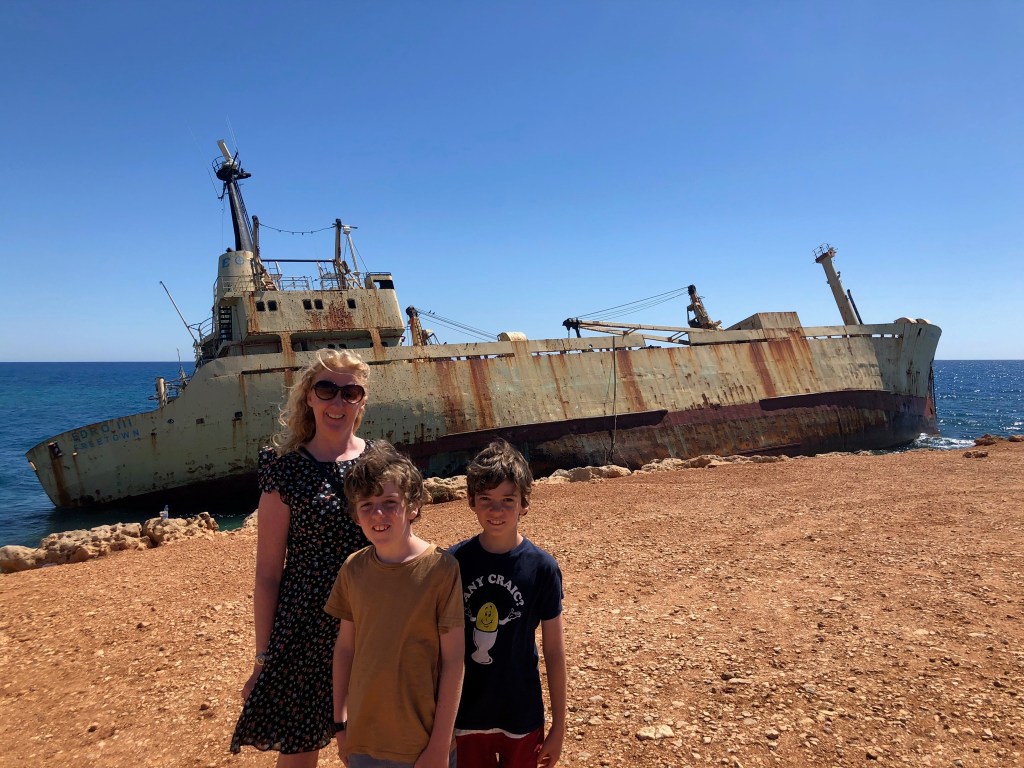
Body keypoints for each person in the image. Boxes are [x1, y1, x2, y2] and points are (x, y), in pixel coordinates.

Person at [230, 349, 373, 767]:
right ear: (309, 396)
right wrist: (263, 658)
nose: (337, 401)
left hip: (370, 619)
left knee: (374, 745)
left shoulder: (379, 463)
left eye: (350, 392)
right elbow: (268, 574)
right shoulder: (285, 469)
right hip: (306, 628)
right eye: (326, 389)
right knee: (299, 751)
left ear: (361, 401)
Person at [326, 441, 465, 768]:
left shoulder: (441, 569)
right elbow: (345, 648)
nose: (378, 514)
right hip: (364, 738)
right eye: (367, 505)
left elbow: (454, 660)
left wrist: (440, 745)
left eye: (390, 503)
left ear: (413, 506)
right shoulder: (353, 568)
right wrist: (340, 724)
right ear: (355, 514)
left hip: (421, 743)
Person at [448, 440, 567, 768]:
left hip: (521, 712)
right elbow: (440, 649)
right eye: (486, 499)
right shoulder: (452, 563)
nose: (496, 511)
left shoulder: (543, 568)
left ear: (524, 504)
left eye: (508, 500)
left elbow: (554, 650)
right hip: (465, 714)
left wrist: (559, 726)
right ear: (471, 501)